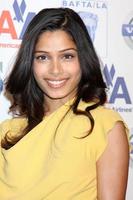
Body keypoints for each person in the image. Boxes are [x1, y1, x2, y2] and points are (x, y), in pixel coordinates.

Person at [0, 7, 129, 200]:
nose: (55, 70)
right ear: (30, 62)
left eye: (67, 56)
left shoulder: (106, 127)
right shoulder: (8, 132)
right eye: (42, 57)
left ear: (83, 59)